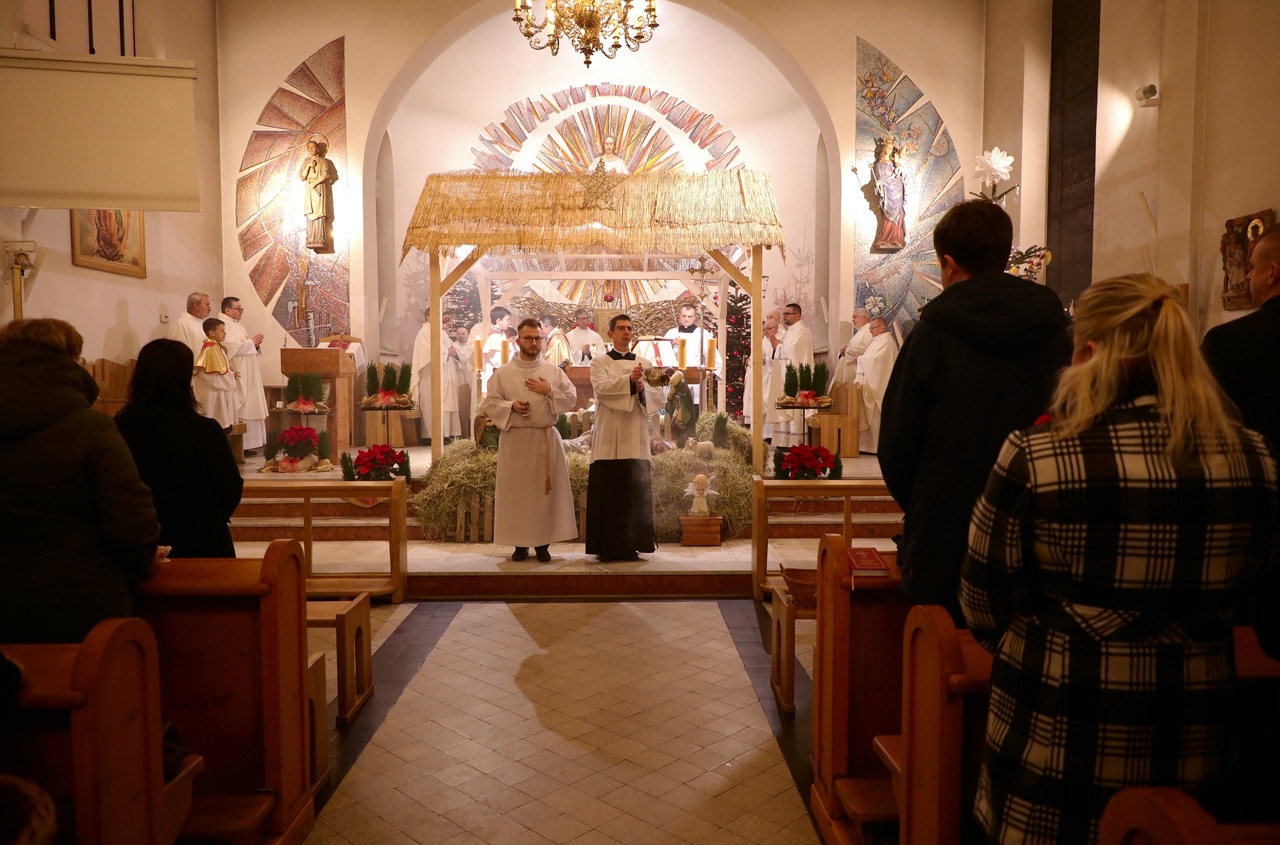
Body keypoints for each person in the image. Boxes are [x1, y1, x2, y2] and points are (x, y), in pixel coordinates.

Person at [960, 273, 1280, 845]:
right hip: (1192, 734)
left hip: (1053, 730)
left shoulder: (1038, 455)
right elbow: (1253, 584)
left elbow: (982, 601)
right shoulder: (1251, 458)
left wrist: (1056, 640)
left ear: (1088, 353)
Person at [879, 199, 1071, 624]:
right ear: (1004, 255)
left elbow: (896, 444)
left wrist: (928, 503)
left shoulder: (931, 334)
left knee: (942, 648)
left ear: (949, 265)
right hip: (1037, 527)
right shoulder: (1055, 329)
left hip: (949, 530)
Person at [0, 318, 160, 644]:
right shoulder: (90, 428)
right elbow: (130, 519)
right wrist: (142, 561)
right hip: (78, 596)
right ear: (70, 359)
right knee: (90, 676)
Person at [1201, 226, 1280, 659]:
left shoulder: (1229, 343)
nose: (1246, 276)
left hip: (1255, 516)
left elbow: (1204, 432)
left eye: (1250, 268)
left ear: (1273, 272)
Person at [117, 339, 245, 559]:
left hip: (139, 541)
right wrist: (209, 518)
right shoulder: (204, 430)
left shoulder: (118, 428)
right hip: (201, 538)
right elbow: (230, 485)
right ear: (184, 379)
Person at [483, 319, 578, 562]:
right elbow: (490, 403)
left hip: (545, 439)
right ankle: (520, 544)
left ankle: (543, 544)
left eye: (537, 338)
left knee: (544, 495)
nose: (534, 343)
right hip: (516, 441)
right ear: (518, 341)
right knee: (517, 494)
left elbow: (570, 399)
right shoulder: (504, 373)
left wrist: (549, 391)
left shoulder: (553, 371)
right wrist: (511, 406)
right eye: (528, 338)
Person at [585, 314, 656, 562]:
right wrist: (629, 381)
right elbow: (602, 389)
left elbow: (657, 396)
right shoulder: (599, 363)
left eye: (629, 328)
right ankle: (606, 546)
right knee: (609, 486)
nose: (626, 332)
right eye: (621, 328)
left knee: (634, 487)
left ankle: (633, 544)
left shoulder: (644, 363)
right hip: (609, 433)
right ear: (610, 334)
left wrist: (642, 389)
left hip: (635, 432)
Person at [218, 296, 267, 452]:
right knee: (242, 405)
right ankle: (241, 447)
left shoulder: (238, 325)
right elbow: (228, 345)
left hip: (249, 371)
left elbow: (245, 344)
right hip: (239, 372)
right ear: (228, 310)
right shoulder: (222, 324)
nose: (241, 312)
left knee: (252, 404)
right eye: (238, 309)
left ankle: (249, 445)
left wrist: (254, 345)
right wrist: (251, 342)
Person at [410, 307, 461, 443]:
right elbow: (425, 351)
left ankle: (447, 434)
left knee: (447, 403)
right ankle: (431, 435)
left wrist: (453, 352)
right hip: (431, 375)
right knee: (431, 402)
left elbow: (453, 348)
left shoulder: (442, 333)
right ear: (427, 316)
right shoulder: (424, 332)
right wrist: (445, 352)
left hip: (447, 372)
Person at [769, 302, 814, 445]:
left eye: (787, 314)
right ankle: (783, 442)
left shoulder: (802, 331)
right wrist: (778, 347)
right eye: (784, 314)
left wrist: (778, 346)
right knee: (785, 405)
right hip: (786, 373)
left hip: (796, 375)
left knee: (794, 408)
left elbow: (793, 350)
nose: (784, 317)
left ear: (797, 315)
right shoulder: (790, 331)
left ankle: (795, 442)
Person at [662, 302, 724, 405]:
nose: (686, 319)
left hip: (694, 379)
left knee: (693, 408)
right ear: (679, 316)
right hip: (673, 378)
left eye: (689, 316)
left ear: (694, 318)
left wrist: (709, 372)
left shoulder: (702, 334)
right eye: (684, 316)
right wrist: (671, 344)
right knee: (673, 408)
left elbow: (713, 355)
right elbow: (661, 354)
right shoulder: (671, 333)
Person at [855, 315, 898, 453]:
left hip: (877, 385)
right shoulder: (878, 341)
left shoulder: (886, 342)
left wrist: (860, 359)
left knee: (875, 416)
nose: (870, 331)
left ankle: (875, 447)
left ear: (881, 328)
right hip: (869, 383)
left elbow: (876, 361)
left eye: (872, 328)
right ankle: (865, 446)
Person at [193, 317, 239, 431]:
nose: (225, 333)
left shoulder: (218, 348)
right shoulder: (210, 350)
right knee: (217, 428)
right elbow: (212, 376)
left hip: (220, 394)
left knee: (224, 427)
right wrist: (230, 377)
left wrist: (231, 374)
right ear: (212, 333)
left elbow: (221, 370)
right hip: (213, 395)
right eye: (222, 331)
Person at [742, 308, 782, 428]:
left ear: (777, 322)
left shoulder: (781, 337)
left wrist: (766, 360)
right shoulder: (764, 340)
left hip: (770, 375)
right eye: (764, 329)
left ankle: (768, 432)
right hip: (759, 375)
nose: (765, 331)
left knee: (768, 402)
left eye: (771, 317)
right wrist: (750, 361)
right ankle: (757, 429)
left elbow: (780, 357)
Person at [298, 138, 338, 253]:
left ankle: (320, 237)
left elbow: (326, 175)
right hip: (310, 189)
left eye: (313, 147)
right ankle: (310, 237)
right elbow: (301, 177)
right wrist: (308, 166)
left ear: (318, 149)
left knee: (319, 212)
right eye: (309, 147)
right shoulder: (306, 161)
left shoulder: (324, 161)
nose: (311, 149)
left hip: (319, 187)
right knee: (310, 212)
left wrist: (315, 183)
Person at [871, 137, 906, 250]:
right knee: (888, 212)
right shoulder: (879, 164)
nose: (889, 150)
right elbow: (879, 178)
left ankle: (897, 238)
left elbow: (899, 175)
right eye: (888, 148)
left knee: (899, 212)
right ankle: (885, 238)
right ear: (884, 148)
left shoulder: (894, 163)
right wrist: (878, 183)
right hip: (887, 191)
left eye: (891, 148)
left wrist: (900, 168)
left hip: (897, 189)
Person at [832, 307, 873, 388]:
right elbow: (853, 347)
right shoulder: (861, 331)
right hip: (848, 369)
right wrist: (844, 350)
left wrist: (847, 350)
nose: (853, 320)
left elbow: (864, 349)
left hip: (856, 369)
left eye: (855, 317)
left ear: (864, 317)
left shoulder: (868, 330)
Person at [168, 290, 212, 357]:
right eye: (207, 305)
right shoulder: (181, 324)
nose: (210, 309)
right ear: (196, 306)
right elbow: (178, 353)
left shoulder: (204, 324)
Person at [481, 306, 512, 388]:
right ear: (498, 321)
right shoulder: (494, 337)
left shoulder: (501, 335)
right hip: (495, 376)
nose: (509, 323)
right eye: (507, 320)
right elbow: (496, 361)